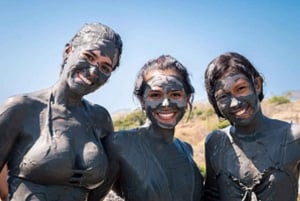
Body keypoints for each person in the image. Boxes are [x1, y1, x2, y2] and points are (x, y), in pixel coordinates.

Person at [0, 22, 122, 201]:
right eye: (88, 56)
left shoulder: (100, 119)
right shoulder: (20, 109)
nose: (93, 71)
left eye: (105, 67)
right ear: (68, 51)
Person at [88, 55, 204, 201]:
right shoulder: (119, 144)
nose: (166, 103)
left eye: (175, 94)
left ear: (187, 99)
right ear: (142, 100)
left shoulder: (187, 149)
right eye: (155, 95)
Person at [203, 51, 300, 201]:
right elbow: (212, 196)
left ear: (257, 85)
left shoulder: (293, 136)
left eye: (241, 88)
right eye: (223, 96)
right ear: (215, 103)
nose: (235, 103)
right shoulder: (215, 142)